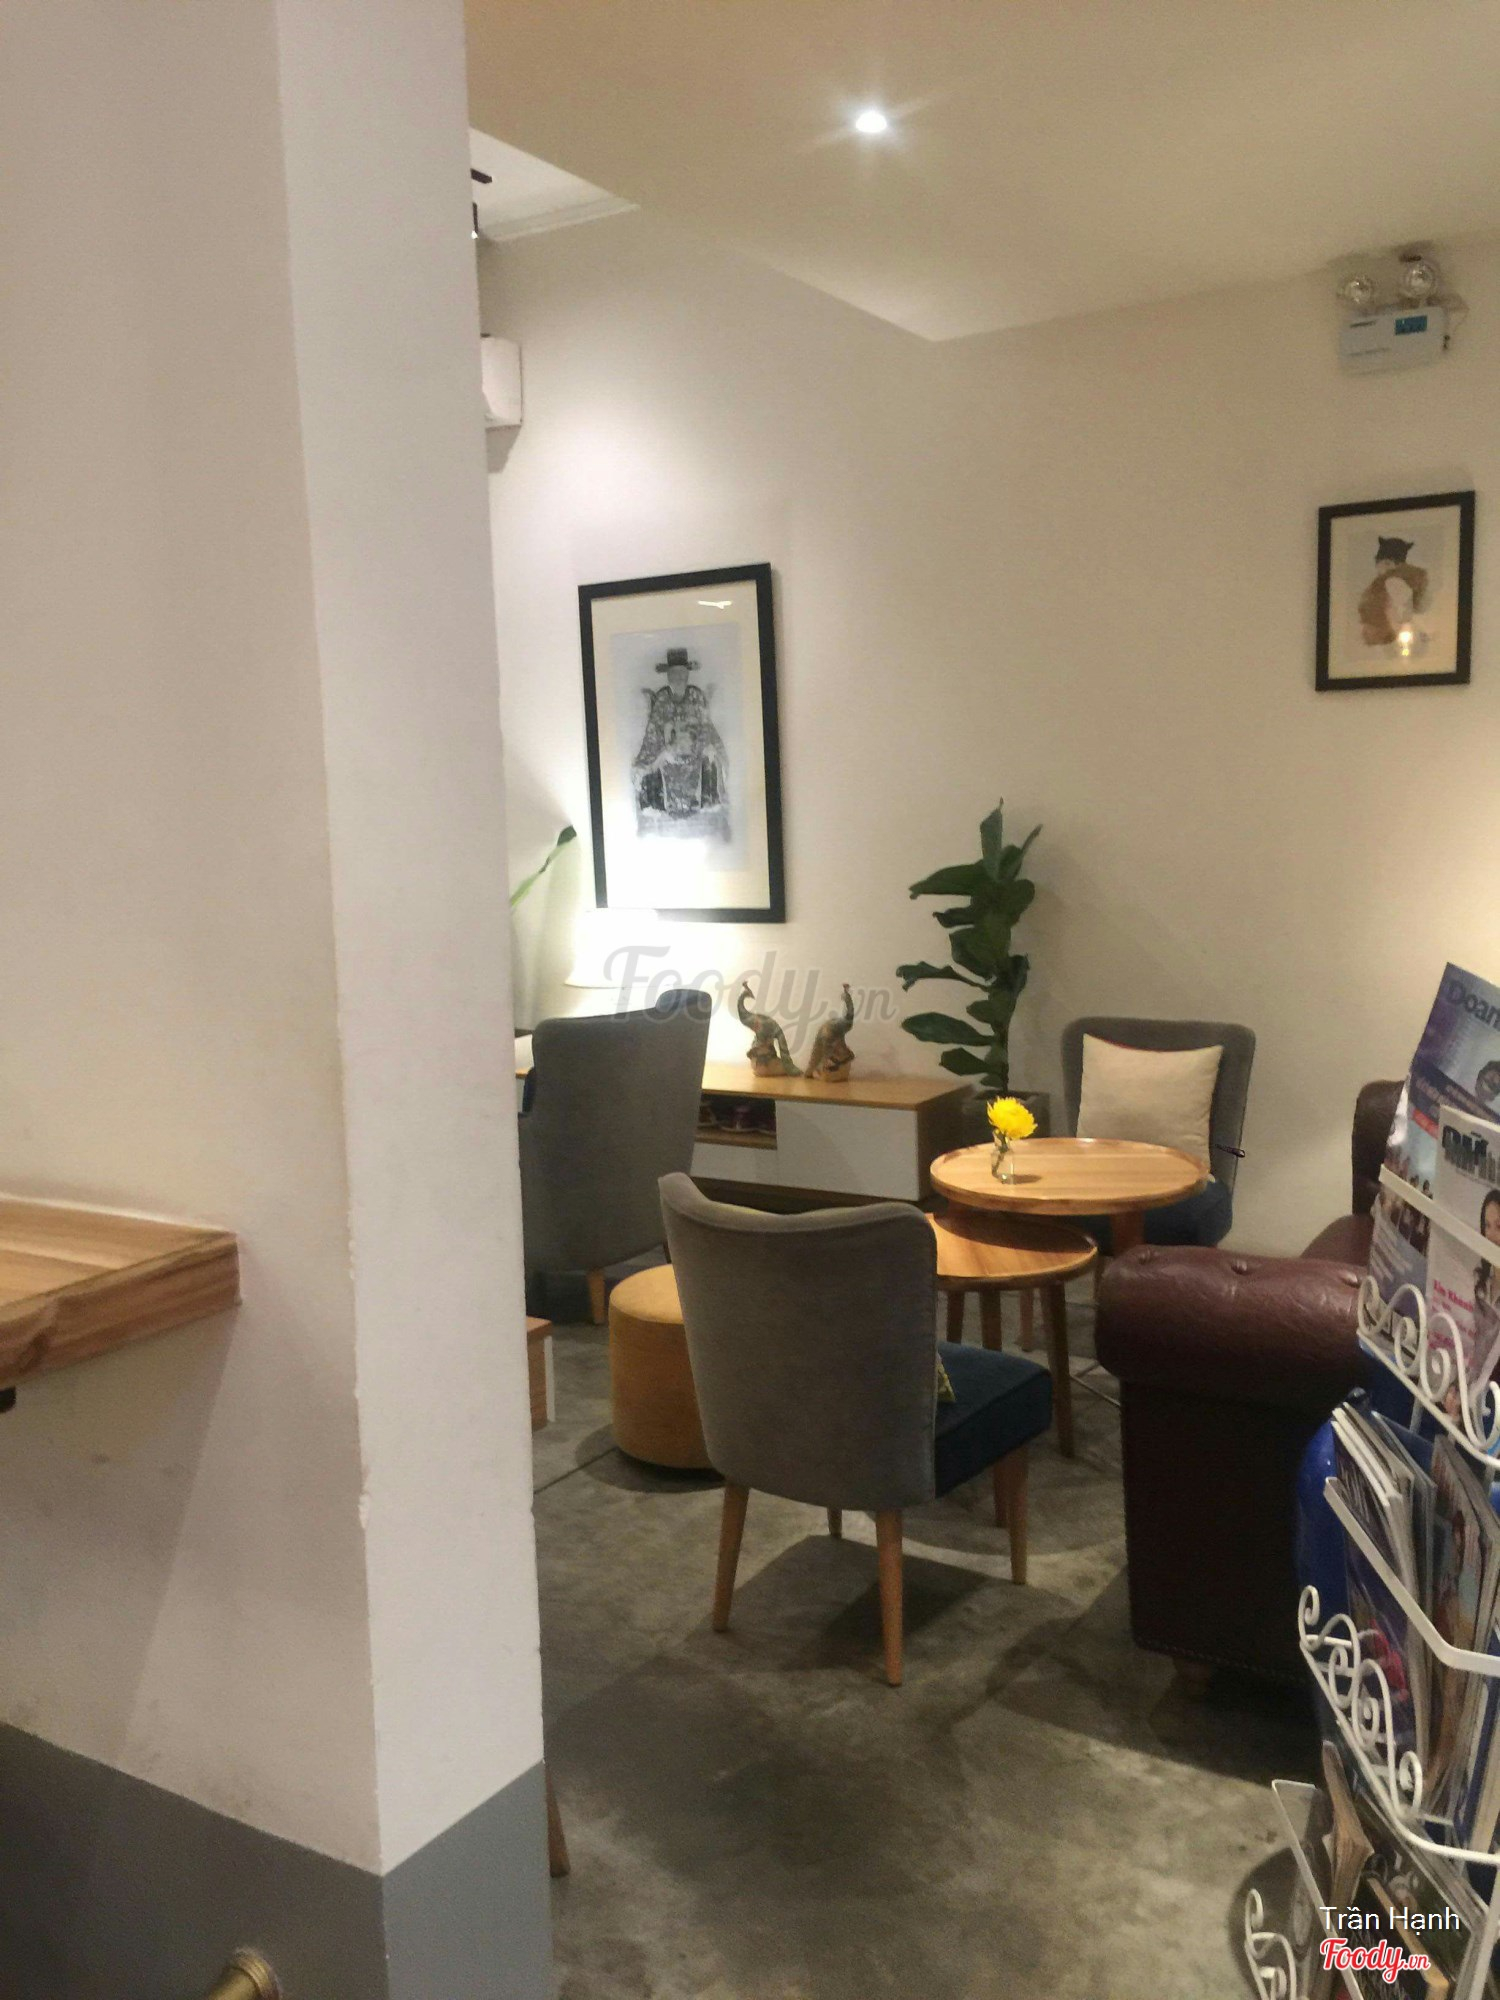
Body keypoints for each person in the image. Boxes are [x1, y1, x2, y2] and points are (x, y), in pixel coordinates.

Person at [632, 645, 729, 840]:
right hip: (667, 756)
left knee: (711, 757)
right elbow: (653, 731)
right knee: (648, 768)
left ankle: (708, 804)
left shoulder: (695, 697)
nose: (678, 679)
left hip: (694, 754)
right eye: (674, 674)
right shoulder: (662, 700)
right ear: (668, 676)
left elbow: (705, 726)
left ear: (687, 675)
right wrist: (663, 753)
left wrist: (702, 748)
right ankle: (658, 809)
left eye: (682, 674)